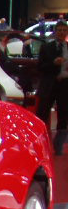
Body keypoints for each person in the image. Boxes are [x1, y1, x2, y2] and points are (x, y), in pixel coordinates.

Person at [36, 20, 68, 153]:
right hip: (49, 84)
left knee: (63, 115)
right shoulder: (46, 47)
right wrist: (53, 63)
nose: (61, 32)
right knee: (42, 114)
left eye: (64, 30)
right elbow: (40, 66)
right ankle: (40, 143)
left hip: (65, 85)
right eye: (59, 30)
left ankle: (59, 145)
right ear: (55, 32)